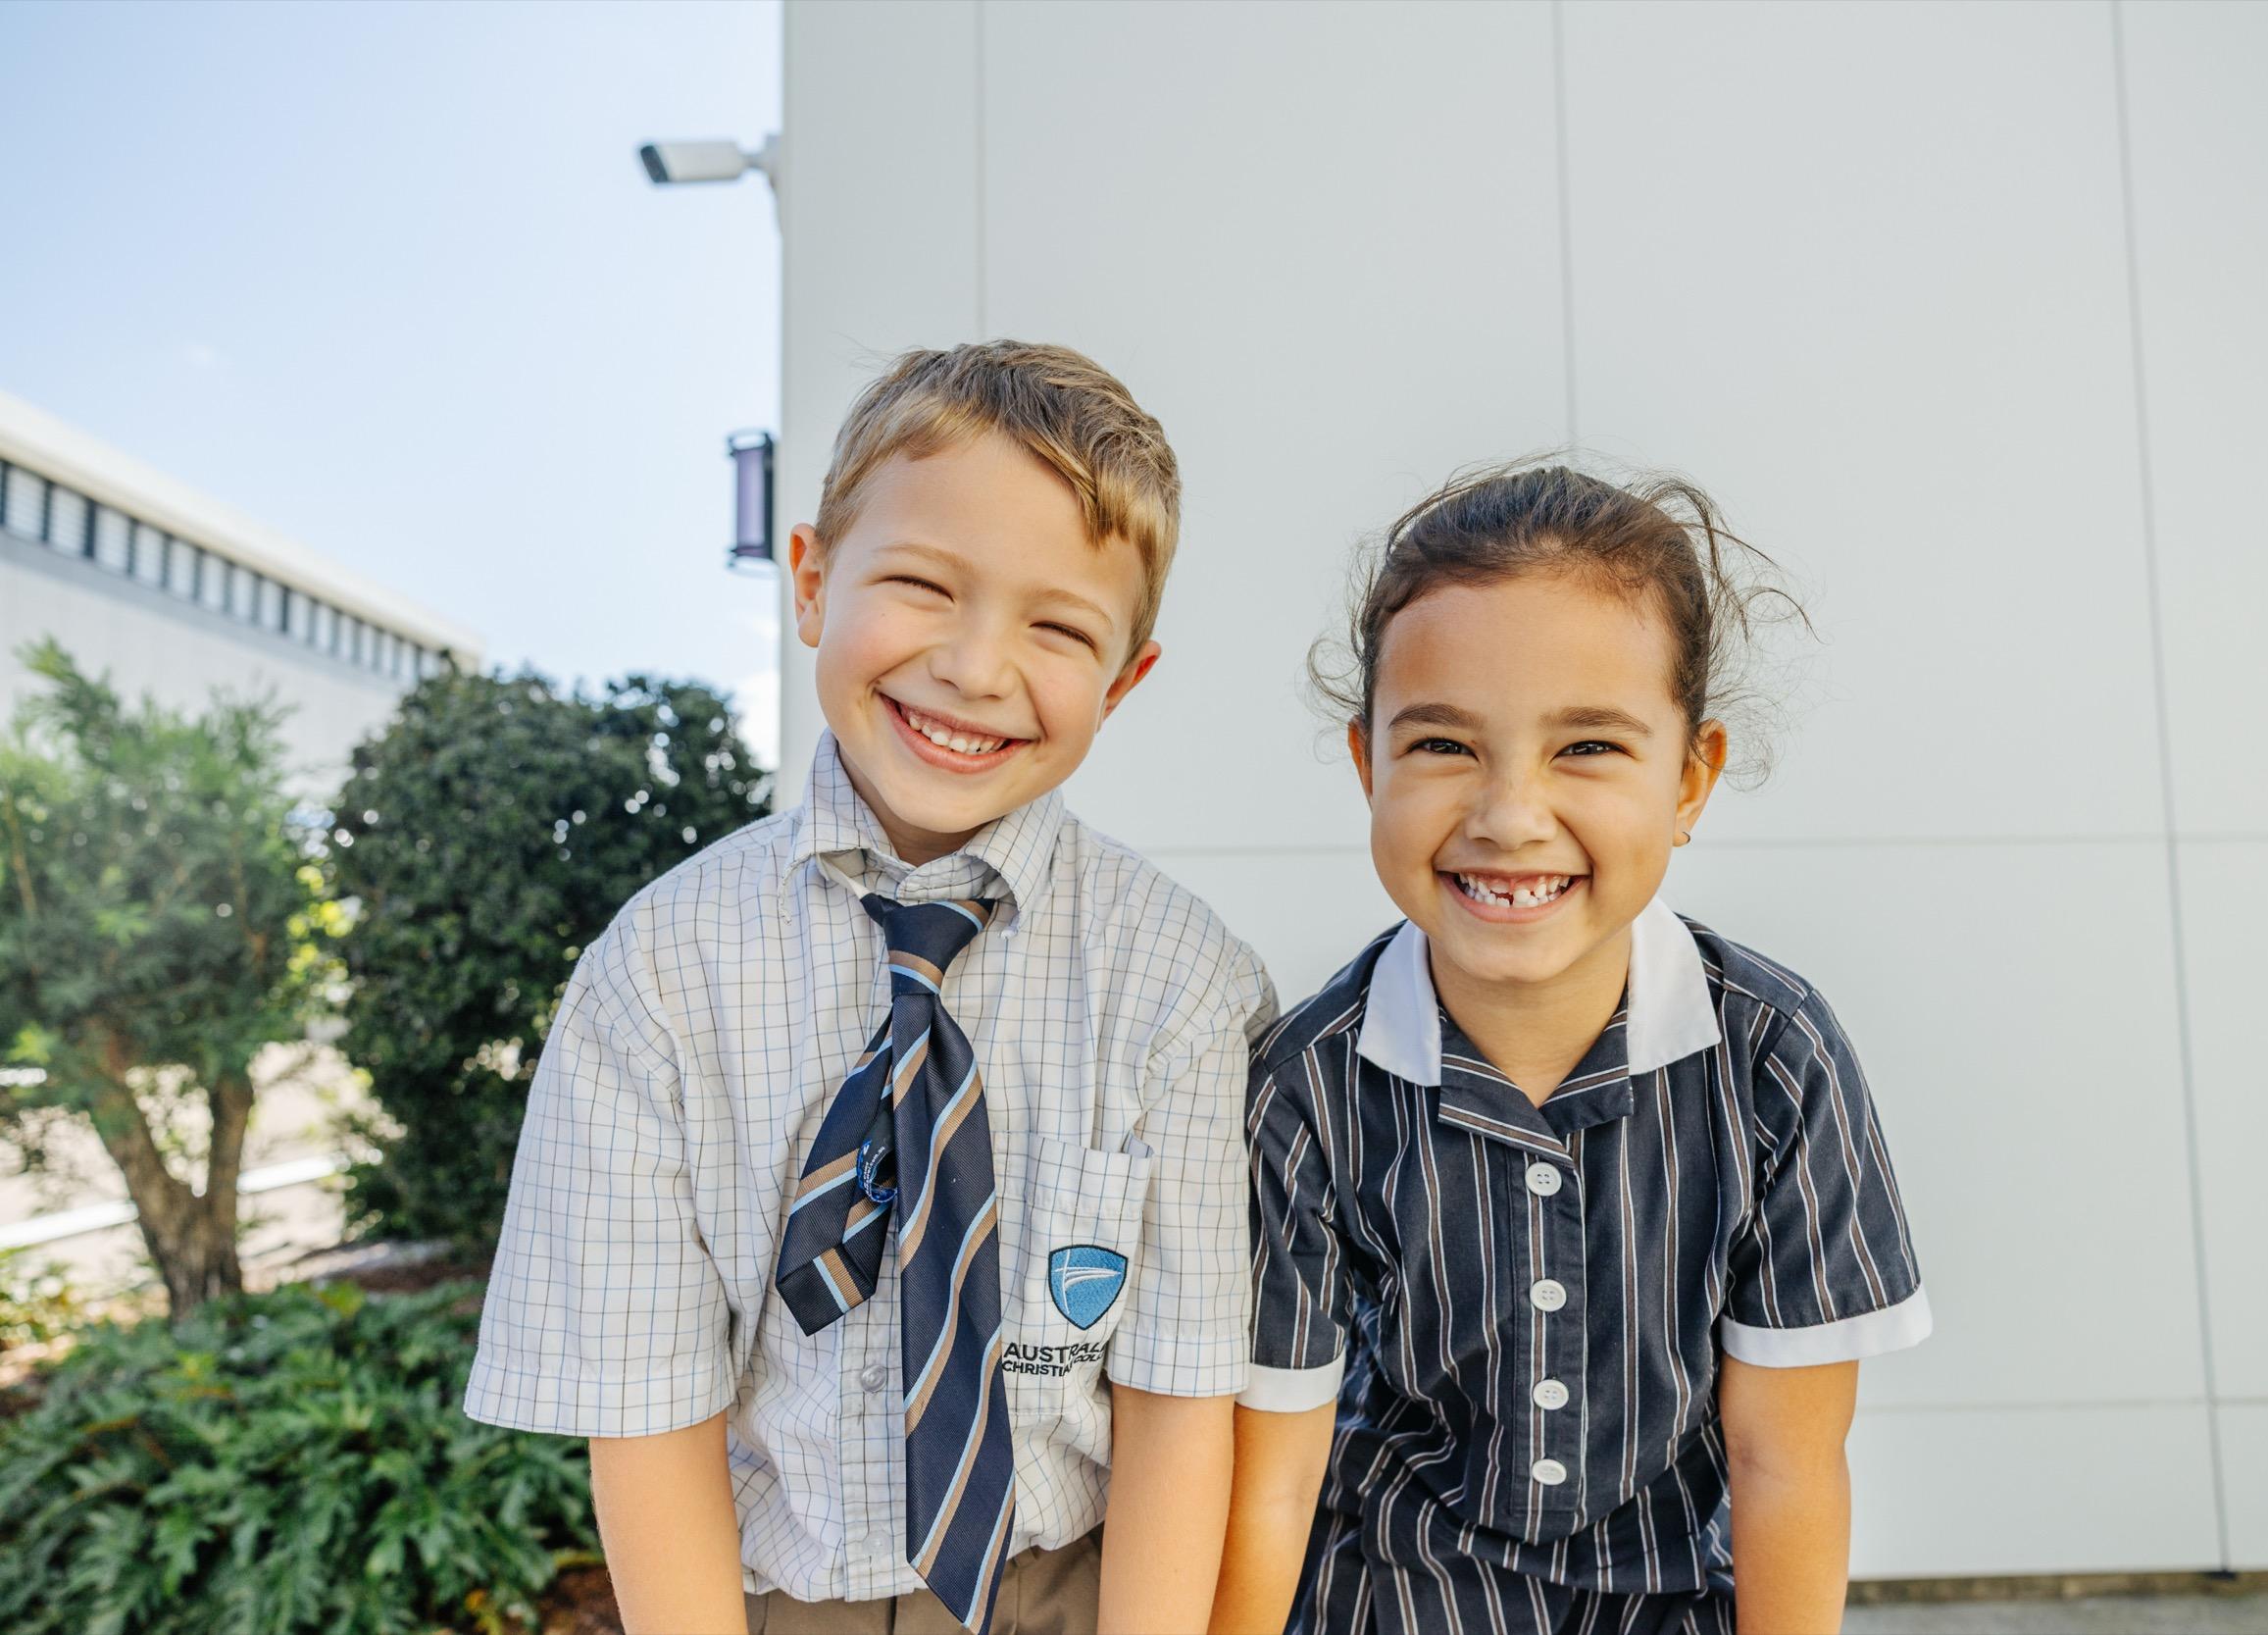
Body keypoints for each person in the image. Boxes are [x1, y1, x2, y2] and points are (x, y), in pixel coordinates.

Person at [464, 341, 1276, 1635]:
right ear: (810, 580)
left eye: (1059, 625)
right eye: (921, 584)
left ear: (1125, 680)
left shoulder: (1184, 982)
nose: (974, 665)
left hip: (1081, 1586)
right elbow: (646, 1415)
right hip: (776, 1597)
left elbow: (1183, 1399)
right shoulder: (657, 977)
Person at [1210, 464, 1931, 1635]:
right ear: (1366, 765)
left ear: (1690, 777)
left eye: (1586, 746)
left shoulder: (1773, 1062)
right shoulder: (1306, 1090)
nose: (1509, 813)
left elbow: (1785, 1462)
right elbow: (1275, 1479)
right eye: (1443, 742)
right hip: (1387, 1603)